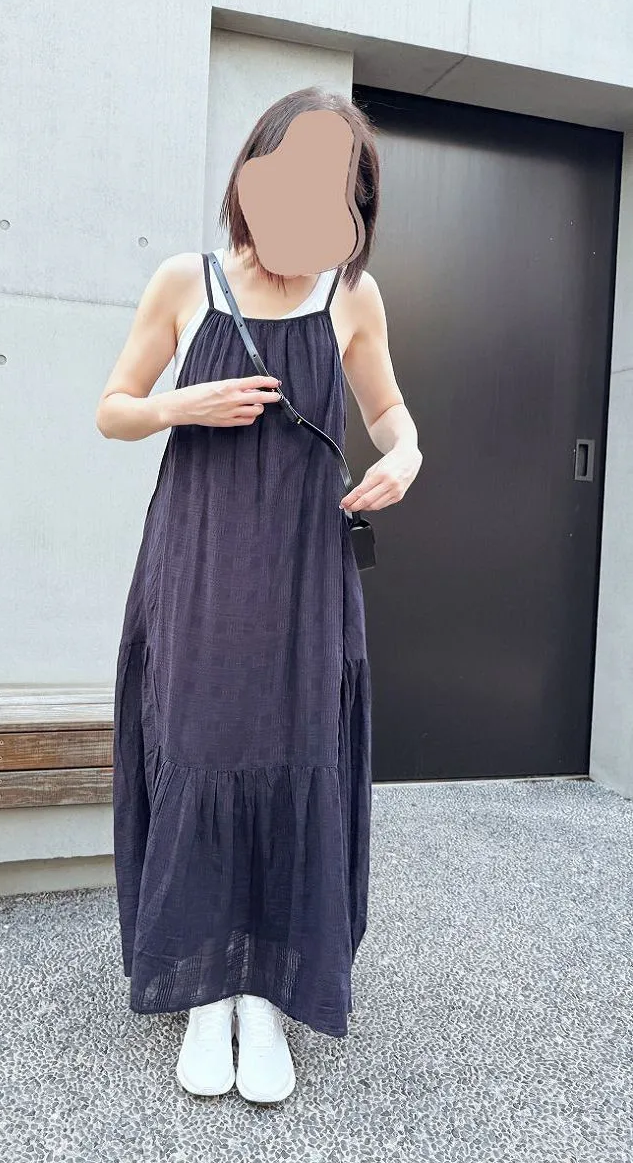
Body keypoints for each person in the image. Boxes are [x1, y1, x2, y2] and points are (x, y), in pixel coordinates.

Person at [95, 87, 422, 1103]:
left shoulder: (352, 296)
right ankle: (204, 990)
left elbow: (391, 413)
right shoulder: (183, 281)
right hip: (198, 564)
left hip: (304, 573)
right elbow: (112, 409)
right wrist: (179, 406)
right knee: (196, 746)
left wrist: (406, 455)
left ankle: (266, 996)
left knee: (296, 753)